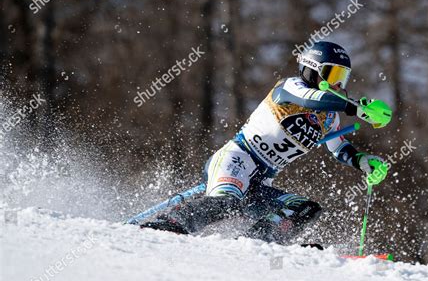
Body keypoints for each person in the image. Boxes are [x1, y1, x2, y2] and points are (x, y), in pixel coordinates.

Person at [142, 41, 388, 244]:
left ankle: (256, 244)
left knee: (304, 208)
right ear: (313, 70)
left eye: (342, 78)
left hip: (260, 183)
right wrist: (356, 108)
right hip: (238, 159)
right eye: (333, 75)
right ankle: (169, 224)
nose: (338, 85)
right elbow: (311, 99)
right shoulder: (291, 87)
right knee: (228, 202)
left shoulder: (330, 117)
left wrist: (363, 161)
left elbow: (339, 148)